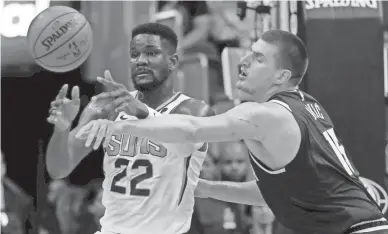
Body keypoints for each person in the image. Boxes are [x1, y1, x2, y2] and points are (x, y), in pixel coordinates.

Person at [78, 30, 388, 234]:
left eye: (258, 58)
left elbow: (191, 128)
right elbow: (275, 192)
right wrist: (206, 188)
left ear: (281, 76)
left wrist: (121, 123)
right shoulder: (307, 105)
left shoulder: (261, 114)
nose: (244, 61)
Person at [46, 22, 214, 234]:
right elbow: (59, 167)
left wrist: (143, 113)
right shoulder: (107, 107)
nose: (141, 61)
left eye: (151, 53)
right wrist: (61, 129)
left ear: (172, 62)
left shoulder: (195, 110)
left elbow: (183, 134)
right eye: (135, 54)